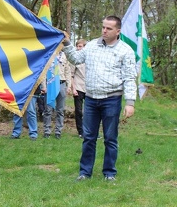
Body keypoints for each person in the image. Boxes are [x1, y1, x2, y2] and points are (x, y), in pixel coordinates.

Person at [62, 16, 137, 181]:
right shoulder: (92, 46)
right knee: (89, 137)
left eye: (109, 28)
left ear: (118, 31)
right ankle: (84, 173)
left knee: (110, 138)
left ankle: (109, 173)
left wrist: (130, 103)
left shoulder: (125, 51)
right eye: (103, 27)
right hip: (90, 99)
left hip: (112, 99)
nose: (104, 30)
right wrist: (67, 43)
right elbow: (76, 59)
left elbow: (130, 78)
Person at [43, 51, 71, 139]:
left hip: (61, 83)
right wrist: (44, 86)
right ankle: (47, 131)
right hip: (50, 83)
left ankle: (58, 131)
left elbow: (68, 71)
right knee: (48, 109)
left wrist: (69, 85)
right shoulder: (49, 54)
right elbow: (44, 72)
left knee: (60, 110)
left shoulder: (64, 56)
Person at [70, 39, 87, 138]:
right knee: (79, 111)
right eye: (77, 46)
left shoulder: (89, 57)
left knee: (90, 111)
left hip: (88, 88)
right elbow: (71, 75)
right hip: (78, 87)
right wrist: (73, 88)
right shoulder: (75, 59)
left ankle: (90, 131)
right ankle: (80, 131)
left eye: (80, 46)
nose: (78, 48)